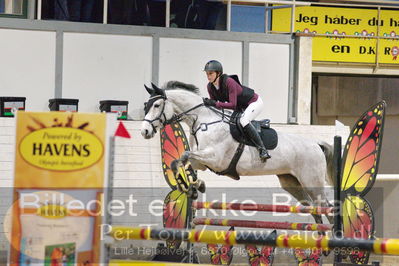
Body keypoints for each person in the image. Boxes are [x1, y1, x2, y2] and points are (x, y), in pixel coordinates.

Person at [203, 60, 271, 161]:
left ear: (218, 73)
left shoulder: (229, 82)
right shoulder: (210, 86)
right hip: (241, 106)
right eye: (207, 74)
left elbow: (232, 105)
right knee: (232, 122)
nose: (208, 76)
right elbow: (215, 103)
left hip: (254, 102)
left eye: (211, 74)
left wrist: (215, 103)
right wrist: (207, 104)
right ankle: (260, 123)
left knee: (243, 121)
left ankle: (262, 150)